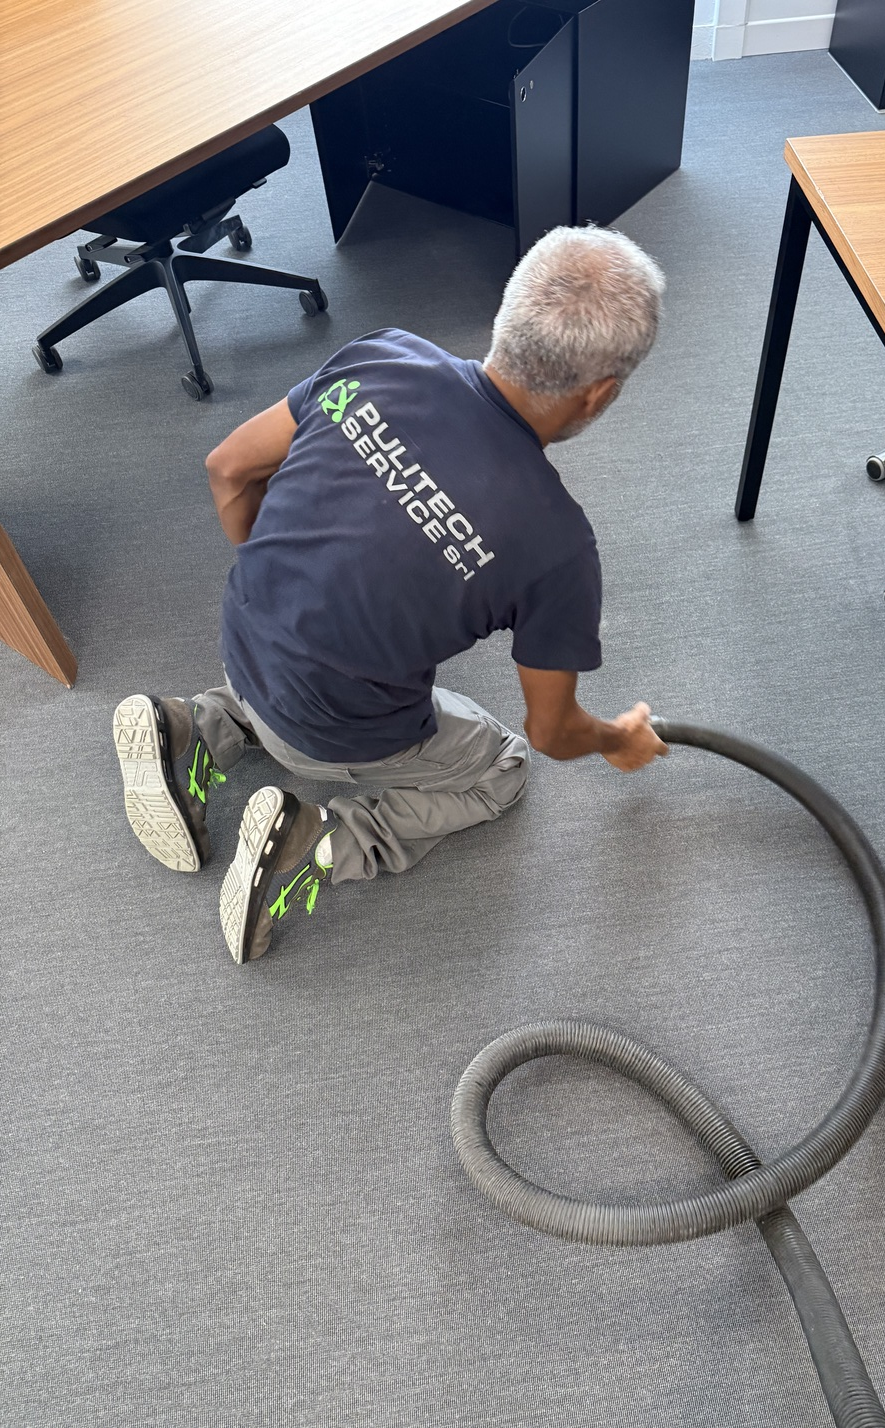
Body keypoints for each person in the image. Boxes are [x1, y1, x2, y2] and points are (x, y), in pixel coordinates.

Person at [113, 225, 669, 965]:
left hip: (242, 635)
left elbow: (228, 468)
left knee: (322, 645)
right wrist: (617, 740)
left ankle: (193, 723)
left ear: (509, 313)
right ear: (599, 394)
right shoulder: (558, 546)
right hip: (331, 725)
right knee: (501, 768)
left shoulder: (383, 354)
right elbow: (550, 732)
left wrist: (285, 576)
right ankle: (316, 840)